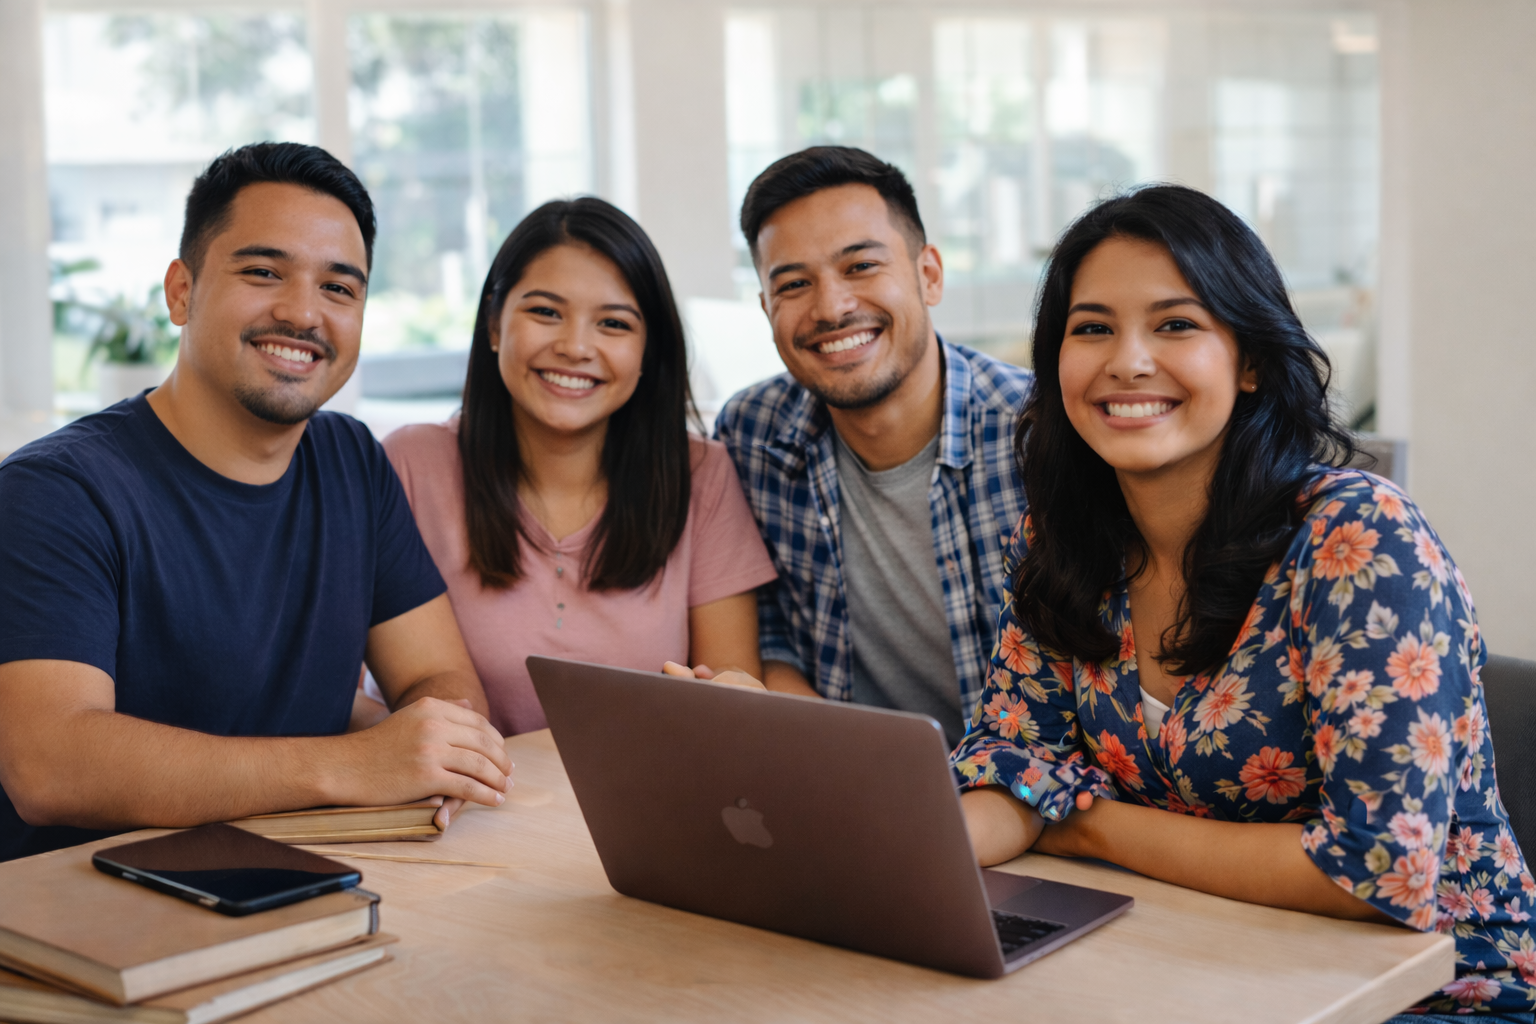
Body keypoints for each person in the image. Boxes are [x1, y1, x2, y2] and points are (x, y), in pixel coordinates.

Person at [952, 184, 1533, 1019]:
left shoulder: (1358, 539)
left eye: (1176, 324)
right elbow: (1012, 765)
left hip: (1438, 996)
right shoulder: (1059, 545)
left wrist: (1081, 821)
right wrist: (891, 856)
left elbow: (1375, 871)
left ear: (1250, 359)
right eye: (1092, 329)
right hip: (1194, 967)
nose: (1128, 360)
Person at [0, 142, 511, 862]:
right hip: (89, 909)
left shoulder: (351, 461)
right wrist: (355, 764)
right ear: (182, 292)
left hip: (298, 875)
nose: (303, 313)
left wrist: (440, 744)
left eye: (340, 289)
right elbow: (50, 767)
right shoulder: (57, 490)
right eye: (264, 272)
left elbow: (435, 675)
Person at [382, 198, 777, 737]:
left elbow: (733, 685)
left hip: (643, 808)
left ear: (647, 353)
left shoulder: (702, 474)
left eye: (613, 323)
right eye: (545, 312)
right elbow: (353, 692)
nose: (574, 347)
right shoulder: (410, 464)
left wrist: (734, 696)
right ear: (494, 323)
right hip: (463, 812)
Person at [697, 146, 1032, 747]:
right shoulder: (751, 435)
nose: (832, 307)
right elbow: (770, 636)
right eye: (794, 283)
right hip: (847, 786)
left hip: (1036, 797)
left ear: (928, 274)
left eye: (860, 267)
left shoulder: (1037, 435)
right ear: (766, 307)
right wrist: (846, 754)